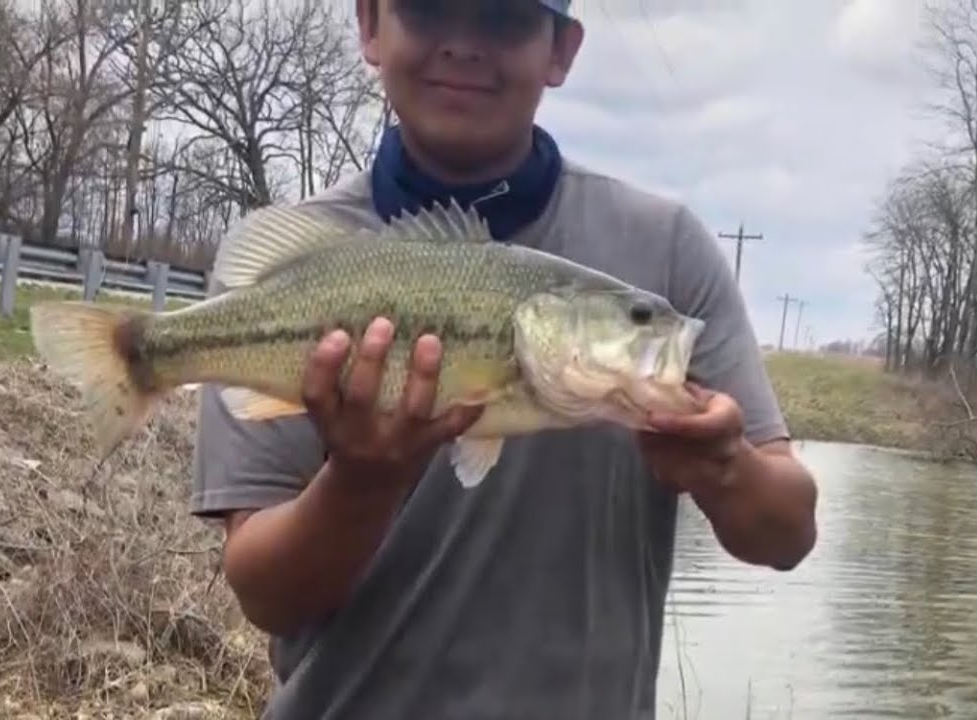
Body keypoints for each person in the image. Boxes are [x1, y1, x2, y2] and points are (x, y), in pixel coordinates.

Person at [189, 0, 819, 717]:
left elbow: (790, 534)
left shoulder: (666, 253)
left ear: (562, 50)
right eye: (428, 11)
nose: (463, 45)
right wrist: (362, 483)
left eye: (504, 17)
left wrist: (728, 467)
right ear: (369, 23)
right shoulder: (296, 266)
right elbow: (266, 595)